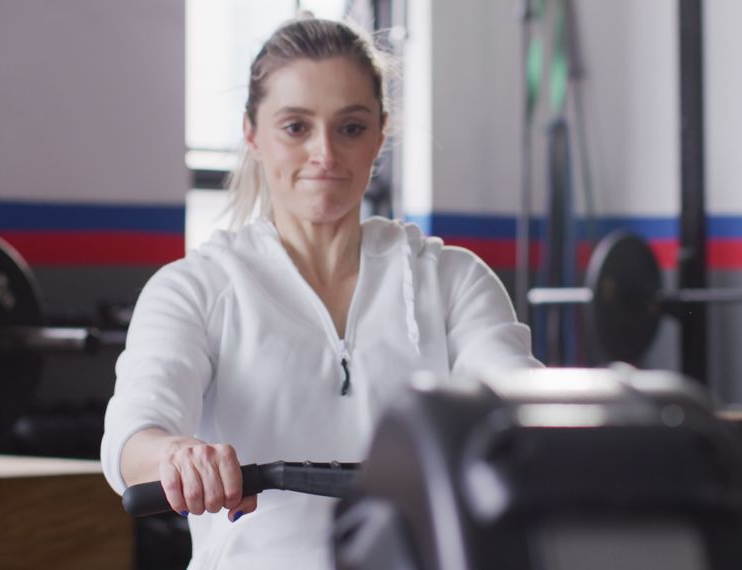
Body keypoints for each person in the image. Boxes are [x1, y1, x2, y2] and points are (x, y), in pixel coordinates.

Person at [101, 16, 541, 569]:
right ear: (252, 134)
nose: (325, 155)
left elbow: (516, 402)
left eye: (350, 128)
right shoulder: (195, 288)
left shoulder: (452, 280)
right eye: (296, 127)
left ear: (379, 136)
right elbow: (131, 437)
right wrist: (176, 455)